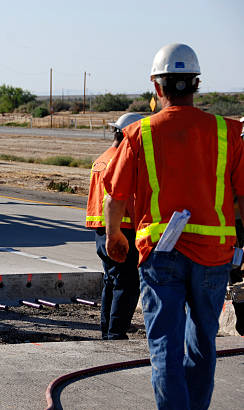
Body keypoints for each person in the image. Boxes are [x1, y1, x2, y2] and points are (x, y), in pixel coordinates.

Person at [103, 43, 244, 409]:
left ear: (157, 86)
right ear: (195, 84)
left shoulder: (140, 134)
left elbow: (115, 195)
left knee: (165, 343)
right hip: (213, 256)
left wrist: (114, 234)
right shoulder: (228, 132)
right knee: (203, 341)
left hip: (161, 254)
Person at [86, 113, 143, 340]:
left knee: (111, 281)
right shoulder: (122, 161)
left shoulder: (101, 159)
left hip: (102, 230)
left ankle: (108, 331)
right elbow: (125, 199)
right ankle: (116, 334)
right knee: (127, 283)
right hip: (122, 230)